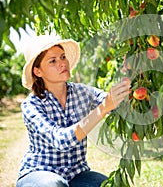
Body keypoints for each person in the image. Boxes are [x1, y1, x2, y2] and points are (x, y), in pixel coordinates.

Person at [16, 35, 131, 187]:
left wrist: (130, 76)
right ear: (38, 72)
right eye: (53, 61)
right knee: (53, 184)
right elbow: (60, 140)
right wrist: (103, 108)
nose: (62, 63)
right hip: (40, 172)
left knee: (111, 185)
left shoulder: (82, 92)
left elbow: (116, 104)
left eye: (63, 57)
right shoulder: (31, 105)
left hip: (76, 174)